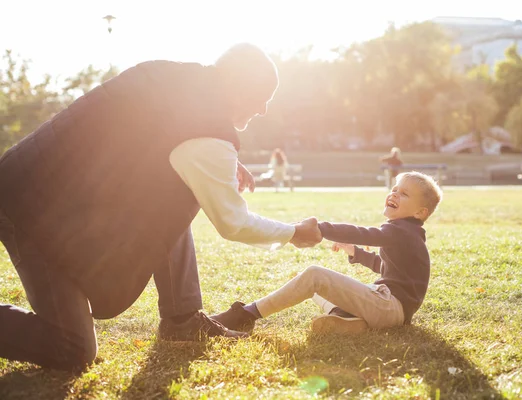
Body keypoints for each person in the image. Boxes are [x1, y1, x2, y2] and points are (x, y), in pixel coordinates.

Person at [0, 43, 322, 371]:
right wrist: (294, 232)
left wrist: (221, 164)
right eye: (262, 95)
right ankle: (181, 320)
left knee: (174, 191)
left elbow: (154, 149)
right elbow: (233, 222)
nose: (264, 109)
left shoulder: (179, 80)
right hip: (28, 205)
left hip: (46, 190)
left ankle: (181, 320)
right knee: (73, 348)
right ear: (240, 86)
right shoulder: (206, 129)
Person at [211, 172, 443, 334]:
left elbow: (364, 233)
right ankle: (350, 320)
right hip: (389, 310)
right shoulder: (406, 233)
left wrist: (322, 229)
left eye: (404, 194)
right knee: (314, 290)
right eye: (394, 189)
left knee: (314, 276)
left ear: (420, 212)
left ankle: (246, 315)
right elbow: (385, 267)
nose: (394, 194)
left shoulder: (402, 231)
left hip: (390, 308)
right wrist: (355, 252)